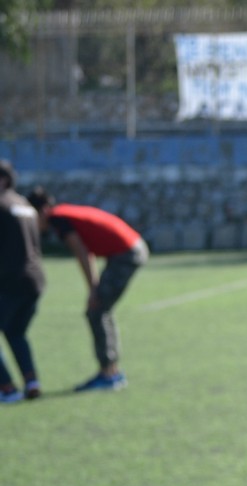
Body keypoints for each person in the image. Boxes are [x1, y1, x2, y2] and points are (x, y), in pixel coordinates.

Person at [27, 187, 148, 391]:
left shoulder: (58, 219)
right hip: (131, 248)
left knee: (97, 309)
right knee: (100, 310)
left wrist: (93, 289)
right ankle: (111, 370)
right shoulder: (63, 213)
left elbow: (82, 253)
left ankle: (109, 374)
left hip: (126, 253)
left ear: (43, 210)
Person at [0, 160, 46, 403]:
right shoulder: (25, 205)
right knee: (15, 332)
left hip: (11, 280)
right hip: (35, 279)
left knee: (14, 330)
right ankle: (31, 381)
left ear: (3, 180)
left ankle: (6, 388)